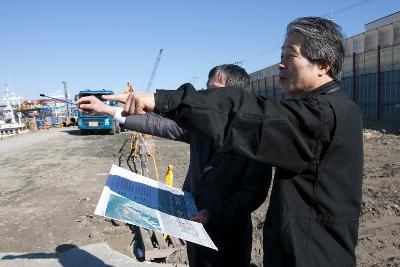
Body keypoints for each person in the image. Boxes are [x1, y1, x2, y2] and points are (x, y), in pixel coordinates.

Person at [107, 17, 364, 266]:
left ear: (323, 65)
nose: (281, 65)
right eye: (281, 56)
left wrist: (166, 100)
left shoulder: (323, 114)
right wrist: (113, 111)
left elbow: (250, 119)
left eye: (290, 55)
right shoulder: (324, 109)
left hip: (305, 256)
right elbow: (167, 126)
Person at [77, 64, 272, 267]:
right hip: (193, 231)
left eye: (215, 91)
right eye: (207, 89)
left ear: (237, 97)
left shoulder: (256, 139)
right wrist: (107, 110)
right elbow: (158, 124)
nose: (207, 97)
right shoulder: (203, 125)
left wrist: (212, 214)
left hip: (228, 240)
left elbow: (253, 194)